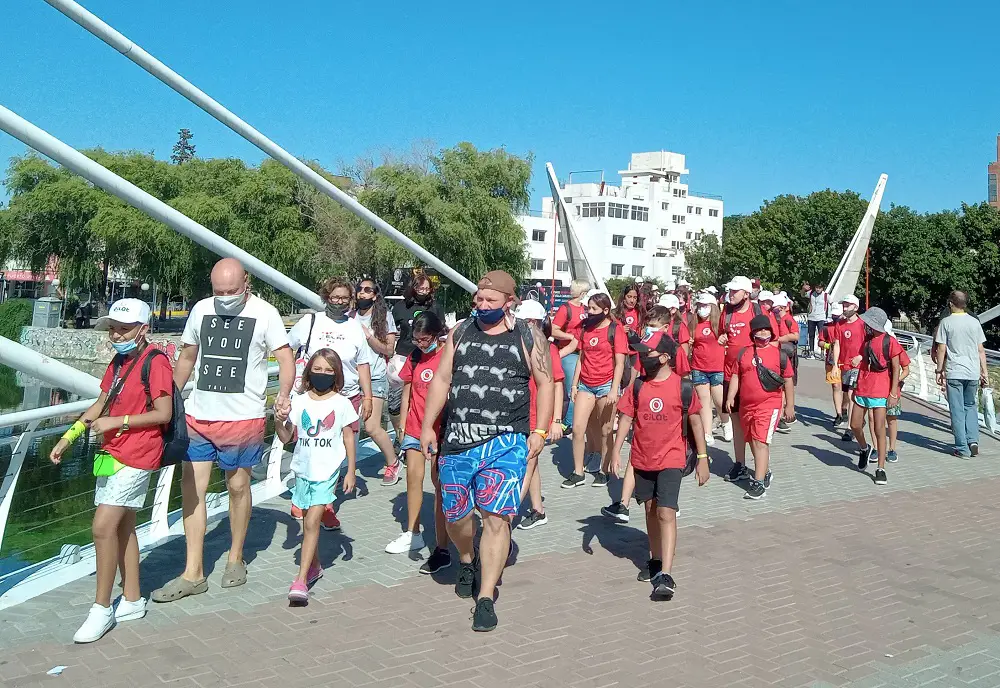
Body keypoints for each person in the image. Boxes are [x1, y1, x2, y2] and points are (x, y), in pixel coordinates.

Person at [152, 259, 295, 603]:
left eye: (231, 291)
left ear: (246, 283)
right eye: (219, 291)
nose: (226, 297)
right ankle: (193, 572)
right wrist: (170, 399)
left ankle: (235, 556)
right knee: (192, 489)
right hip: (199, 415)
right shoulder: (201, 310)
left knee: (238, 486)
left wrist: (284, 394)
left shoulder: (266, 314)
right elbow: (188, 357)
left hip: (243, 418)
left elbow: (285, 358)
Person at [419, 270, 553, 632]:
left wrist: (540, 430)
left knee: (496, 518)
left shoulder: (528, 335)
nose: (482, 304)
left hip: (507, 441)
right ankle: (467, 557)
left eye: (490, 300)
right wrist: (428, 426)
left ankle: (486, 597)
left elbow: (545, 382)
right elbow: (442, 379)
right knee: (456, 515)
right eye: (479, 298)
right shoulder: (461, 331)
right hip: (458, 439)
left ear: (509, 302)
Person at [50, 299, 174, 642]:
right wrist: (69, 436)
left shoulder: (156, 362)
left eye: (124, 329)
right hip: (112, 452)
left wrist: (118, 422)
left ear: (143, 329)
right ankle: (131, 599)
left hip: (139, 454)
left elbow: (163, 413)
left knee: (102, 527)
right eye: (113, 329)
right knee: (123, 526)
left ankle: (101, 608)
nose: (116, 335)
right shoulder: (119, 362)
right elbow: (102, 402)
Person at [610, 333, 710, 598]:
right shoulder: (638, 386)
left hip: (672, 458)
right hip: (643, 458)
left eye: (648, 353)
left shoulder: (682, 387)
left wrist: (703, 458)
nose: (643, 357)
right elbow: (626, 418)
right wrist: (616, 451)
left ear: (665, 357)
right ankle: (655, 559)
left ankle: (666, 573)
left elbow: (696, 422)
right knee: (650, 510)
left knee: (666, 512)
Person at [284, 277, 375, 529]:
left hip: (345, 396)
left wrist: (367, 396)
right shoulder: (310, 322)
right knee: (307, 447)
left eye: (345, 298)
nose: (340, 302)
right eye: (335, 297)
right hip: (312, 396)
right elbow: (287, 349)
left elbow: (363, 364)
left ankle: (326, 504)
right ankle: (302, 495)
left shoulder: (355, 327)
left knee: (337, 452)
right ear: (326, 297)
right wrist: (288, 384)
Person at [275, 349, 358, 604]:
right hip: (303, 469)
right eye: (318, 369)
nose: (322, 374)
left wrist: (351, 470)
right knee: (305, 520)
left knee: (312, 521)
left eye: (328, 370)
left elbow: (348, 436)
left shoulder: (341, 403)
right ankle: (315, 565)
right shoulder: (299, 401)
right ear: (309, 371)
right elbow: (285, 436)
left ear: (337, 374)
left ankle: (300, 581)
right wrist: (278, 420)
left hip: (328, 470)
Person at [384, 311, 452, 567]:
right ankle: (413, 533)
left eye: (425, 339)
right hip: (414, 426)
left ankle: (443, 542)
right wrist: (402, 424)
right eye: (416, 339)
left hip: (439, 429)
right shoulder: (414, 357)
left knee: (439, 484)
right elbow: (407, 392)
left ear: (436, 335)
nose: (421, 344)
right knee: (413, 478)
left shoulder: (447, 357)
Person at [725, 315, 795, 499]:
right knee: (752, 440)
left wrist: (790, 405)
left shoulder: (779, 355)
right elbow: (736, 375)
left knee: (760, 441)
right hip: (747, 406)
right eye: (759, 330)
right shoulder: (744, 353)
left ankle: (758, 483)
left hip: (769, 405)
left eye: (766, 329)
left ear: (771, 332)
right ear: (752, 333)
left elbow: (788, 380)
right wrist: (731, 396)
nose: (763, 332)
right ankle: (765, 472)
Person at [564, 292, 628, 488]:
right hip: (585, 384)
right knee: (577, 429)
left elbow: (620, 363)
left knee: (606, 430)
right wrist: (574, 384)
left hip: (606, 385)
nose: (590, 312)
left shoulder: (615, 330)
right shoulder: (585, 328)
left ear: (605, 310)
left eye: (594, 309)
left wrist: (614, 389)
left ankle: (604, 469)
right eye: (588, 308)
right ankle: (578, 472)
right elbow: (581, 359)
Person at [514, 299, 565, 530]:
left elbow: (557, 385)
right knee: (531, 464)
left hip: (537, 416)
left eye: (522, 321)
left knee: (526, 464)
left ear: (533, 322)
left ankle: (506, 517)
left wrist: (556, 420)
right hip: (520, 414)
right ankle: (538, 509)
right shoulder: (518, 344)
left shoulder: (547, 348)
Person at [352, 277, 401, 485]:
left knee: (371, 426)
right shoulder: (349, 315)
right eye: (359, 289)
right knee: (345, 427)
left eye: (367, 290)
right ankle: (344, 470)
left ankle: (393, 462)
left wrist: (369, 336)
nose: (362, 293)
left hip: (375, 376)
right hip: (351, 377)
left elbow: (389, 350)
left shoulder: (383, 317)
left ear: (374, 295)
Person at [389, 272, 445, 442]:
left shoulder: (435, 307)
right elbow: (390, 330)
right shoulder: (400, 307)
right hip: (405, 357)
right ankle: (400, 434)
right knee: (395, 404)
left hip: (431, 359)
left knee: (423, 396)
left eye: (427, 288)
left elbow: (442, 331)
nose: (423, 291)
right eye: (420, 287)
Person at [934, 290, 989, 458]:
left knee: (957, 409)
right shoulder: (974, 322)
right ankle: (973, 441)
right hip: (972, 372)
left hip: (955, 371)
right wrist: (984, 372)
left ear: (951, 303)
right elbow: (980, 350)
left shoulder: (946, 322)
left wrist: (939, 370)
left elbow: (941, 348)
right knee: (970, 406)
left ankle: (962, 448)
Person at [850, 307, 901, 486]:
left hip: (880, 388)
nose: (865, 325)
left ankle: (881, 468)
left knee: (879, 428)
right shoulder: (867, 341)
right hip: (863, 386)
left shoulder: (890, 342)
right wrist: (858, 362)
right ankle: (864, 448)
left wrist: (893, 393)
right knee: (855, 424)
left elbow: (896, 369)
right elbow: (864, 362)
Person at [719, 276, 762, 483]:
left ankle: (761, 467)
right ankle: (740, 464)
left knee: (753, 422)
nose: (731, 294)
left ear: (746, 294)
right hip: (730, 374)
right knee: (736, 421)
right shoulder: (726, 312)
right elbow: (721, 334)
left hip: (751, 374)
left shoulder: (758, 312)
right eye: (730, 290)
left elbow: (771, 341)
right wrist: (721, 338)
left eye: (735, 291)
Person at [689, 292, 728, 446]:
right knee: (704, 400)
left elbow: (729, 341)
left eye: (705, 306)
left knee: (719, 400)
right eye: (699, 306)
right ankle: (707, 432)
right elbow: (690, 344)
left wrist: (724, 340)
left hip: (717, 367)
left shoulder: (720, 324)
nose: (701, 309)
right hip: (699, 367)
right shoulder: (694, 324)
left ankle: (725, 421)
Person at [551, 279, 590, 432]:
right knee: (572, 389)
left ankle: (574, 420)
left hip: (583, 352)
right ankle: (568, 422)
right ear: (582, 293)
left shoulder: (586, 308)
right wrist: (571, 337)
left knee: (581, 388)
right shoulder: (565, 309)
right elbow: (554, 330)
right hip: (569, 353)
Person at [832, 295, 865, 440]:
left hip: (858, 366)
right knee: (847, 394)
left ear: (855, 307)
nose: (845, 308)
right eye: (844, 305)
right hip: (844, 365)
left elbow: (868, 344)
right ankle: (858, 420)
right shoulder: (840, 324)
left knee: (851, 394)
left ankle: (850, 428)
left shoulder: (863, 324)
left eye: (848, 305)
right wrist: (835, 365)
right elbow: (837, 344)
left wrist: (861, 356)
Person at [880, 322, 910, 464]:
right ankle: (877, 447)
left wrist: (896, 380)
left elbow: (906, 369)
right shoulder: (871, 343)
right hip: (876, 389)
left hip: (893, 390)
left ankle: (891, 449)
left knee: (891, 419)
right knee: (875, 419)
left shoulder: (894, 345)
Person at [771, 293, 800, 434]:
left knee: (785, 384)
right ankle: (780, 414)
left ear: (782, 307)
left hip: (787, 355)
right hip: (779, 353)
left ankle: (782, 414)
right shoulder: (775, 318)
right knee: (780, 385)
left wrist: (780, 339)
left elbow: (795, 335)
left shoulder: (788, 319)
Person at [819, 304, 844, 423]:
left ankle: (845, 408)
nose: (835, 317)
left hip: (846, 360)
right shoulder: (826, 327)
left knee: (847, 388)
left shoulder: (846, 326)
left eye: (837, 315)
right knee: (836, 386)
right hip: (831, 360)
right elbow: (820, 342)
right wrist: (829, 346)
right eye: (833, 315)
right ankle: (839, 414)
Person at [802, 282, 830, 358]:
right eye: (816, 287)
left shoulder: (826, 295)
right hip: (811, 317)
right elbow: (803, 295)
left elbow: (832, 303)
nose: (818, 289)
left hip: (821, 318)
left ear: (822, 288)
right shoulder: (811, 293)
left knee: (822, 336)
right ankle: (811, 352)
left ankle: (822, 352)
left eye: (819, 288)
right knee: (811, 335)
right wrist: (803, 289)